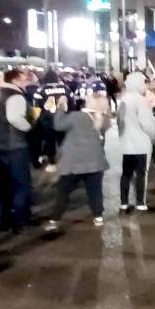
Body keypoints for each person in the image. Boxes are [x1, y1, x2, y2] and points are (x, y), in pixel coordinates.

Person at [44, 92, 109, 231]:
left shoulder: (77, 116)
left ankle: (55, 218)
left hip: (73, 161)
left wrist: (61, 107)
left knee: (63, 191)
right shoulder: (104, 119)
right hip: (95, 161)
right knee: (95, 190)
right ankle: (98, 216)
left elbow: (59, 125)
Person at [0, 68, 35, 233]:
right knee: (20, 183)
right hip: (15, 146)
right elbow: (14, 118)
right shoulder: (16, 97)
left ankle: (4, 217)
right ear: (15, 81)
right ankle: (20, 218)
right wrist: (28, 126)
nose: (26, 82)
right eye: (23, 79)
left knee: (2, 184)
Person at [117, 71, 155, 213]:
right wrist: (153, 137)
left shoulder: (123, 99)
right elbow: (147, 124)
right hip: (141, 144)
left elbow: (119, 122)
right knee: (141, 174)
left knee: (126, 174)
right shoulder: (141, 101)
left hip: (126, 144)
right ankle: (140, 201)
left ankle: (123, 202)